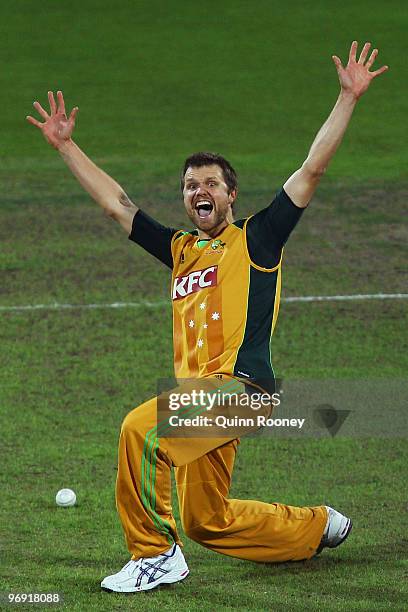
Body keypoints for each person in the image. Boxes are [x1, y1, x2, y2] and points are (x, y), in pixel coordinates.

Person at [27, 41, 387, 593]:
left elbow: (311, 169)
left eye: (211, 184)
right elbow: (117, 206)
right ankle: (316, 527)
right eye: (191, 185)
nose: (200, 190)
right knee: (206, 520)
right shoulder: (180, 251)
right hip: (204, 396)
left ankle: (154, 555)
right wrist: (66, 146)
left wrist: (346, 98)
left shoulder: (258, 238)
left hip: (241, 390)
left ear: (231, 196)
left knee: (142, 432)